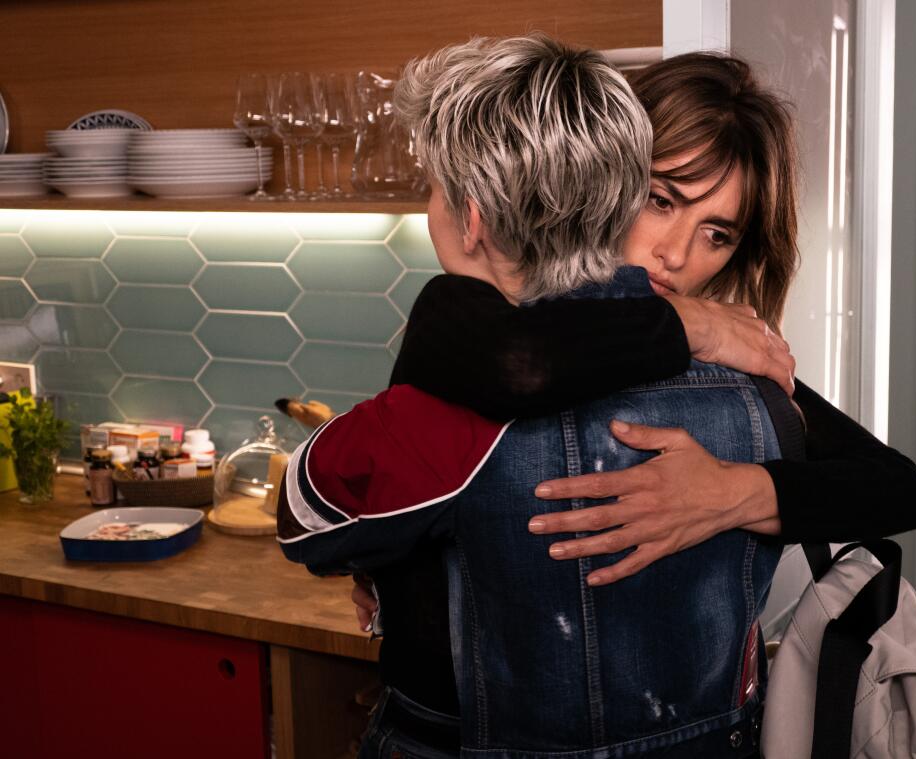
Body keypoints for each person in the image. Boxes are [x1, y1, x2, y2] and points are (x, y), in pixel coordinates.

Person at [280, 35, 810, 758]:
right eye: (661, 202)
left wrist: (392, 561)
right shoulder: (765, 390)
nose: (678, 252)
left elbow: (303, 511)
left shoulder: (449, 410)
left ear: (471, 216)